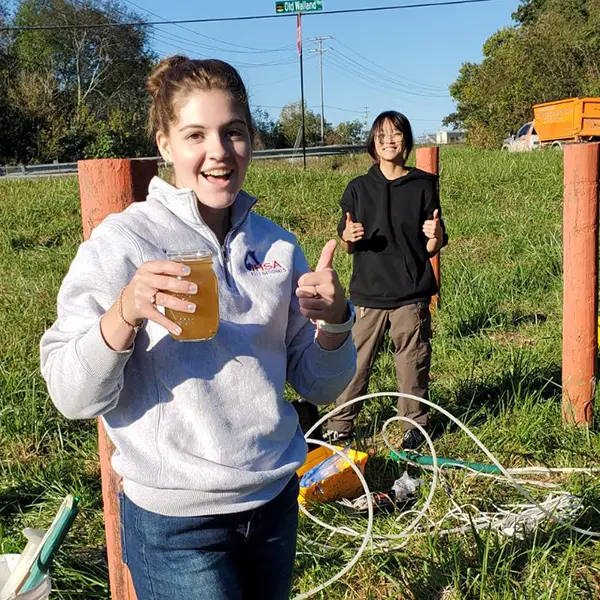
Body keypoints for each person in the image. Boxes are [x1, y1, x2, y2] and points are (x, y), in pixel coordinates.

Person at [40, 56, 357, 600]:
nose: (218, 152)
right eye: (195, 135)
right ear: (164, 144)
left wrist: (335, 324)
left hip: (275, 499)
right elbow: (71, 394)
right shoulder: (124, 243)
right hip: (177, 521)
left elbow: (320, 385)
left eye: (233, 132)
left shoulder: (278, 246)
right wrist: (123, 312)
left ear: (252, 140)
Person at [326, 111, 447, 450]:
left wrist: (434, 236)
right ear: (373, 143)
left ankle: (414, 425)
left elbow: (433, 242)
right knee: (355, 362)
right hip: (368, 292)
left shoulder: (423, 184)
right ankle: (340, 424)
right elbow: (347, 241)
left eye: (395, 135)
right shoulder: (359, 188)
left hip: (411, 291)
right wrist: (348, 235)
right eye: (382, 136)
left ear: (406, 140)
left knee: (413, 360)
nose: (389, 141)